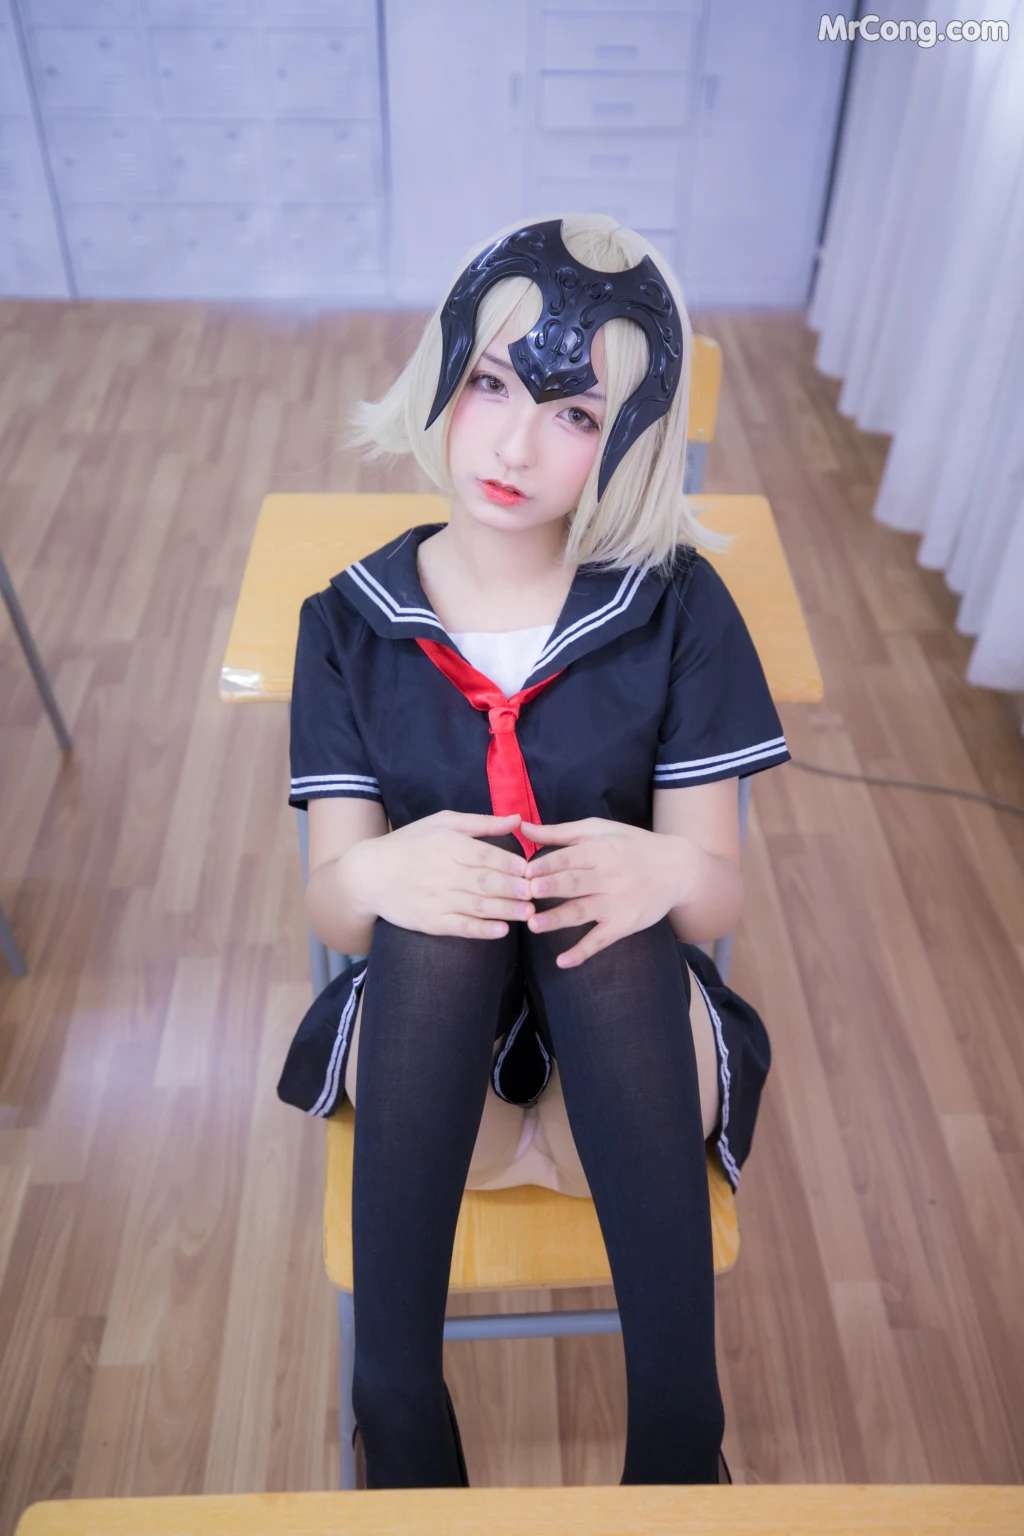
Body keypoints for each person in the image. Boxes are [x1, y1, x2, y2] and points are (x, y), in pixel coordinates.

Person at [278, 212, 790, 1490]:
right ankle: (397, 1414)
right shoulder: (346, 626)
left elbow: (713, 891)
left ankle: (680, 1439)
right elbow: (337, 903)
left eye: (574, 415)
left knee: (598, 910)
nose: (514, 445)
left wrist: (659, 871)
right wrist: (385, 874)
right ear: (443, 372)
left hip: (623, 1083)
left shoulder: (676, 607)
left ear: (633, 439)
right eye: (493, 385)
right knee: (434, 915)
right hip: (433, 1088)